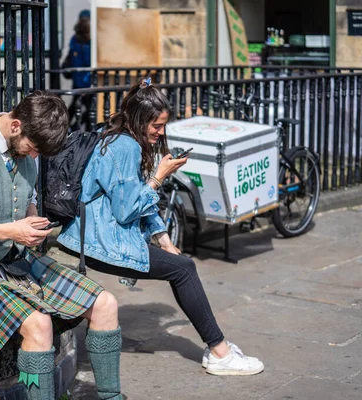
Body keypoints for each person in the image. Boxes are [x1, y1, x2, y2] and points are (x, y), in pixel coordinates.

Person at [57, 80, 265, 376]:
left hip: (96, 235)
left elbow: (136, 199)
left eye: (164, 124)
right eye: (156, 125)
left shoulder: (119, 138)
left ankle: (220, 350)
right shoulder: (124, 147)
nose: (161, 132)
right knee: (184, 269)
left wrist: (164, 240)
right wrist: (159, 178)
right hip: (96, 241)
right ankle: (221, 353)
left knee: (180, 264)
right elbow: (127, 210)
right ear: (140, 120)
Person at [0, 91, 123, 400]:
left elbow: (25, 204)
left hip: (16, 261)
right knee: (38, 324)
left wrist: (33, 224)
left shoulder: (28, 150)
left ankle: (111, 397)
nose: (34, 157)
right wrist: (11, 230)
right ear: (15, 125)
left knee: (106, 304)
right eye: (33, 148)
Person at [64, 10, 92, 129]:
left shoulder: (74, 39)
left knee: (77, 107)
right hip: (87, 82)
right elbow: (88, 61)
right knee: (88, 109)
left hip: (78, 81)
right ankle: (71, 128)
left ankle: (68, 127)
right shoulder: (90, 40)